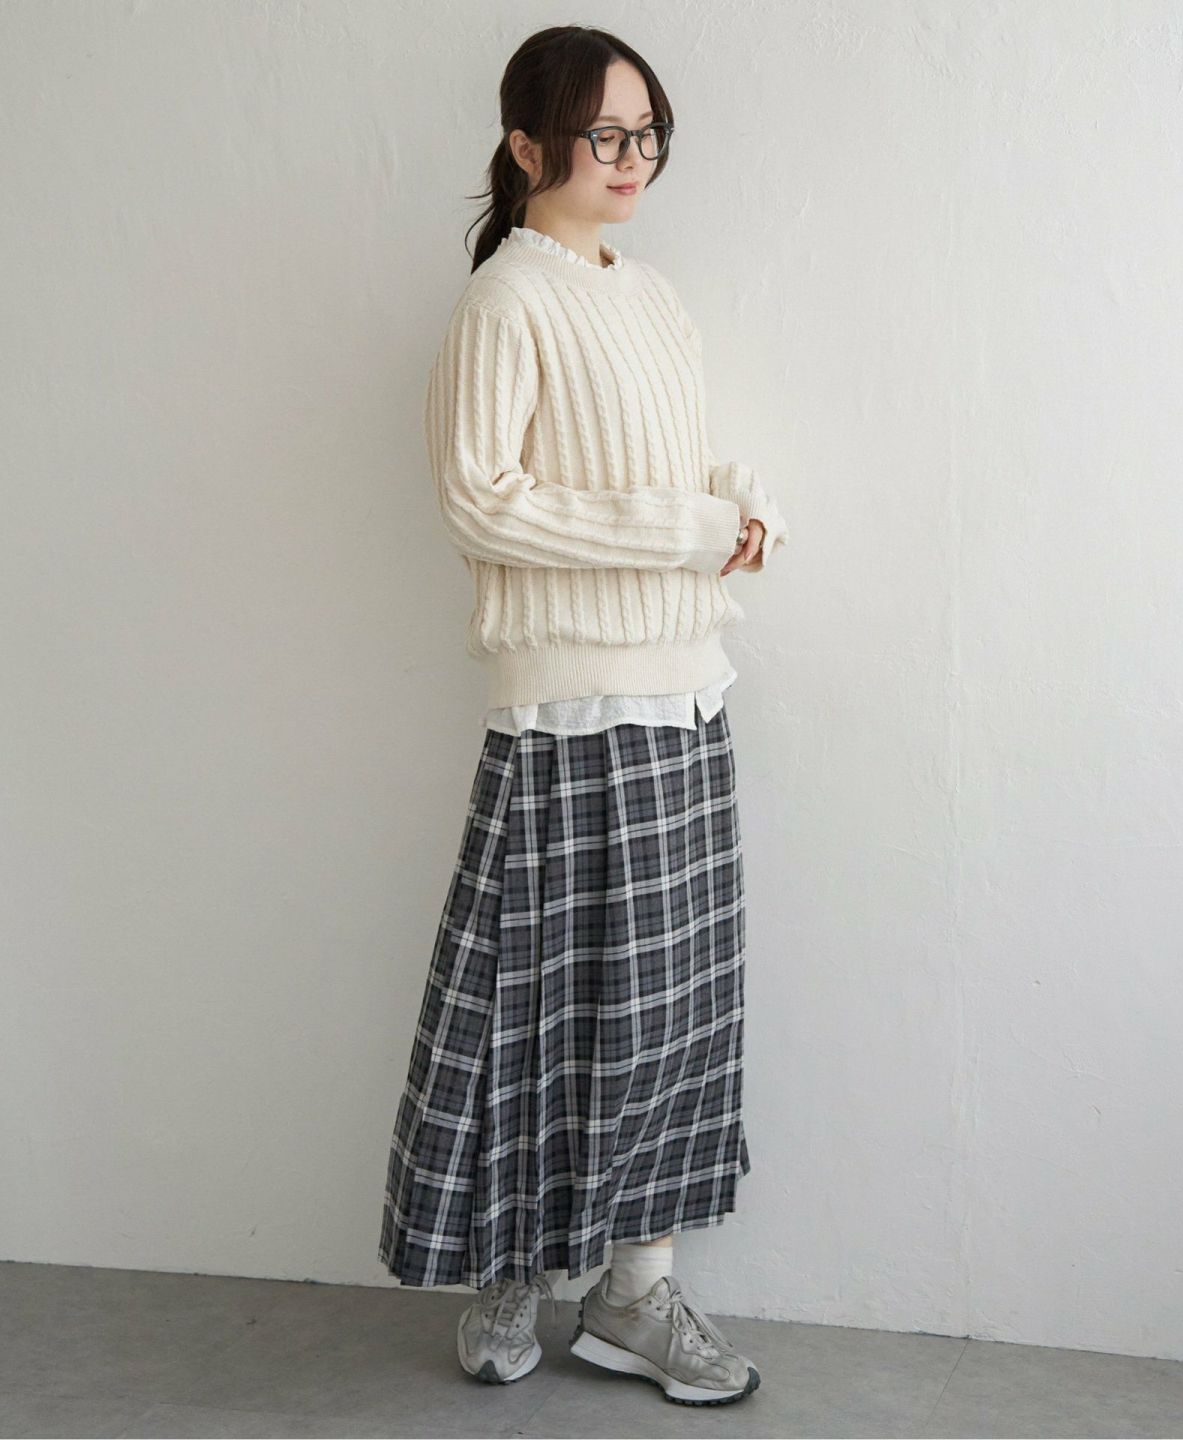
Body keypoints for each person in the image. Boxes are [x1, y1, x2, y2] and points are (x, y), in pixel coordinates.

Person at [378, 23, 789, 1408]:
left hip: (684, 693)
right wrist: (684, 528)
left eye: (646, 133)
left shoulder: (652, 297)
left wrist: (739, 512)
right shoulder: (506, 300)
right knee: (531, 1001)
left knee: (672, 1011)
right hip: (565, 708)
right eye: (607, 133)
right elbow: (480, 500)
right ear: (527, 143)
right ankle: (510, 1267)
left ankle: (634, 1295)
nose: (632, 159)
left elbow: (675, 468)